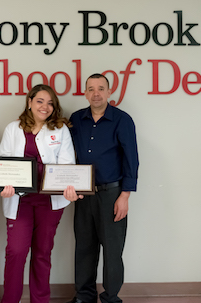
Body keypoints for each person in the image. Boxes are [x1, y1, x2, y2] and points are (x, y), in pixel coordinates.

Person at [0, 84, 80, 303]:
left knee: (42, 254)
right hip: (20, 201)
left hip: (49, 203)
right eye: (40, 101)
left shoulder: (60, 129)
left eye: (50, 102)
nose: (45, 106)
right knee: (16, 252)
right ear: (30, 102)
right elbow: (3, 163)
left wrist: (71, 189)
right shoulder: (13, 129)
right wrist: (3, 185)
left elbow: (67, 165)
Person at [67, 74, 139, 303]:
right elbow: (66, 155)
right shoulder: (76, 119)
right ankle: (84, 297)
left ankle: (110, 298)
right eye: (91, 89)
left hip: (112, 195)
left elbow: (131, 160)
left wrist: (125, 196)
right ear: (85, 93)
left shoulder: (122, 120)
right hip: (83, 194)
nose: (96, 93)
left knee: (112, 251)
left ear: (109, 92)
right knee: (84, 248)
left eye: (100, 88)